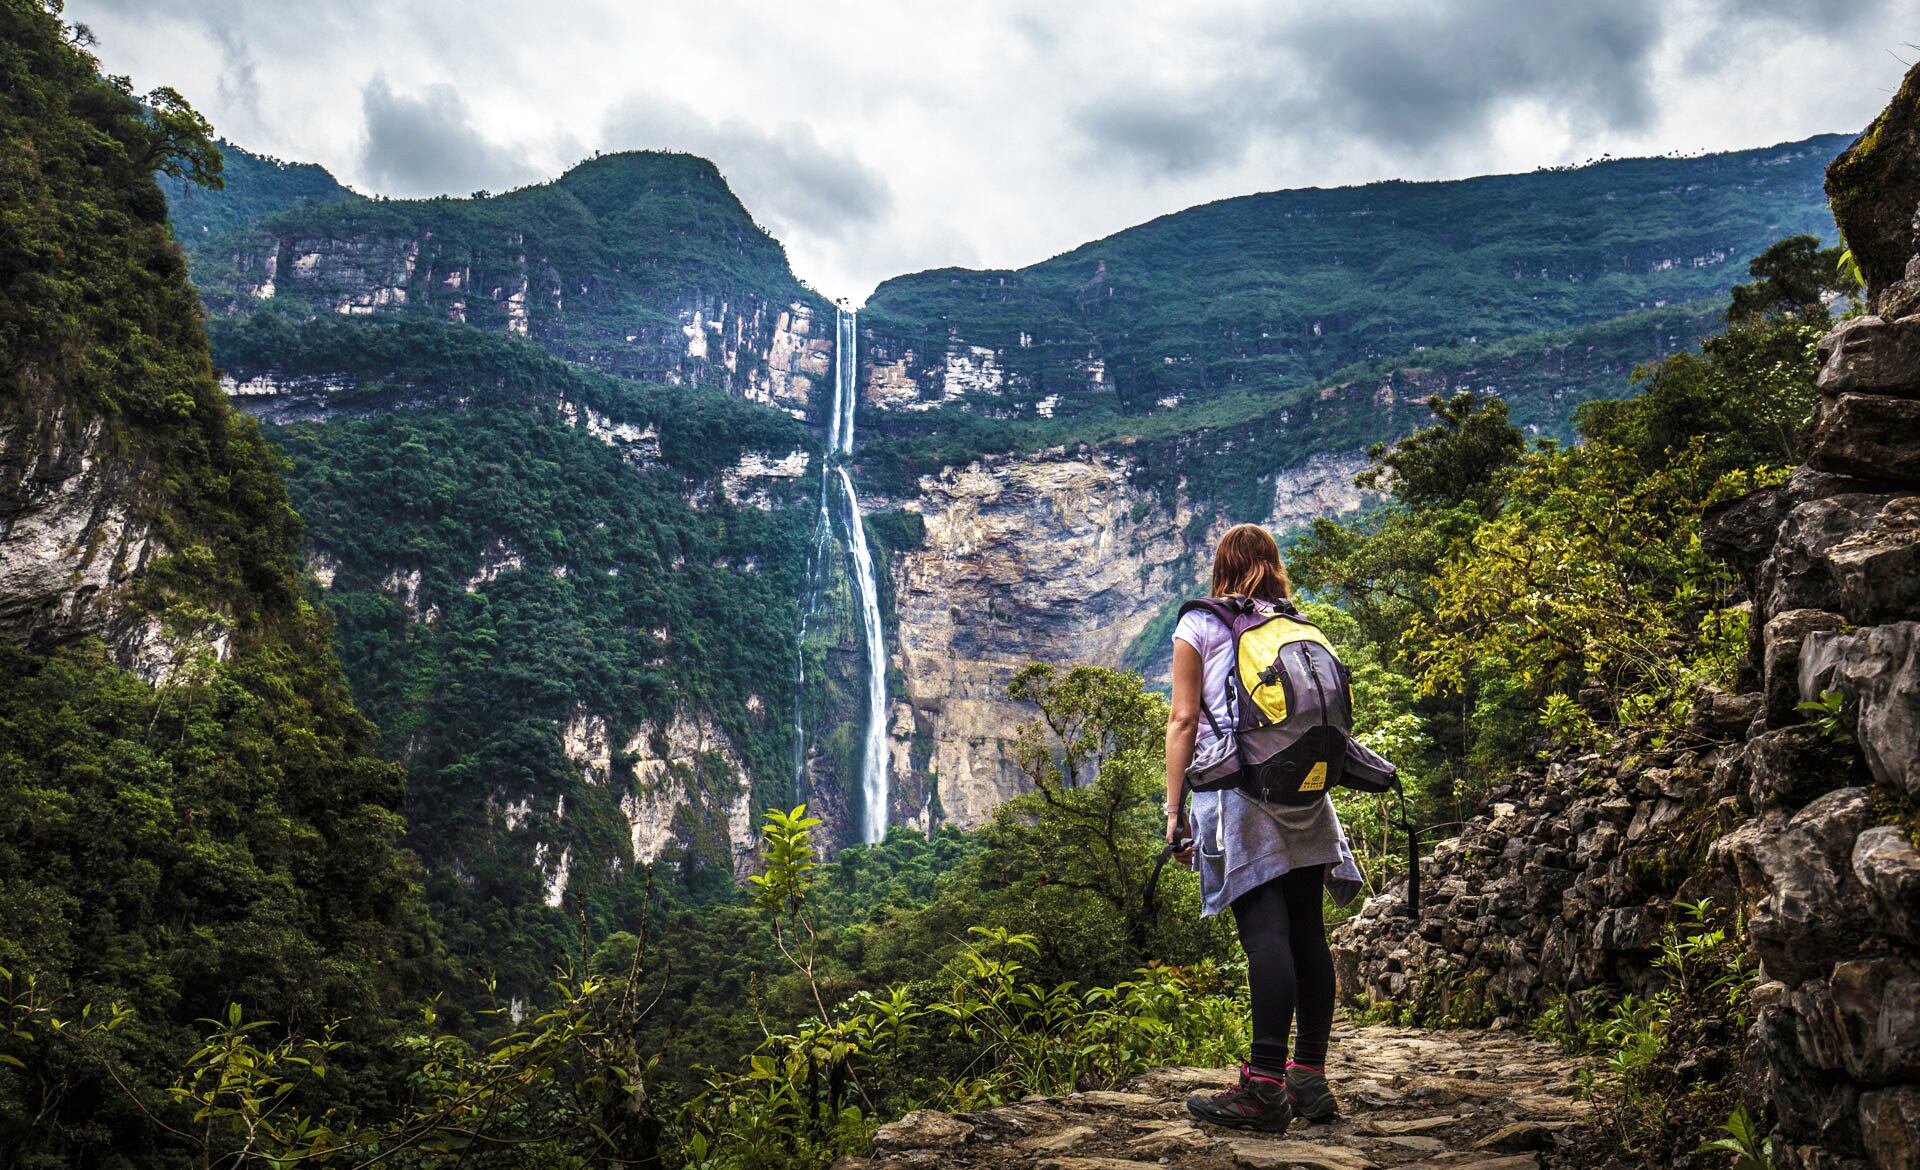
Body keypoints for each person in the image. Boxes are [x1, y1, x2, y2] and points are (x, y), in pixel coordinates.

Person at [1166, 523, 1360, 1132]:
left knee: (1265, 935)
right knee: (1308, 933)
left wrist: (1174, 811)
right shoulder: (1302, 626)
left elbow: (1183, 719)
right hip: (1308, 796)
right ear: (1273, 566)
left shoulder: (1200, 624)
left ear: (1221, 567)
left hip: (1240, 798)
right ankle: (1310, 1077)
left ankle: (1264, 1086)